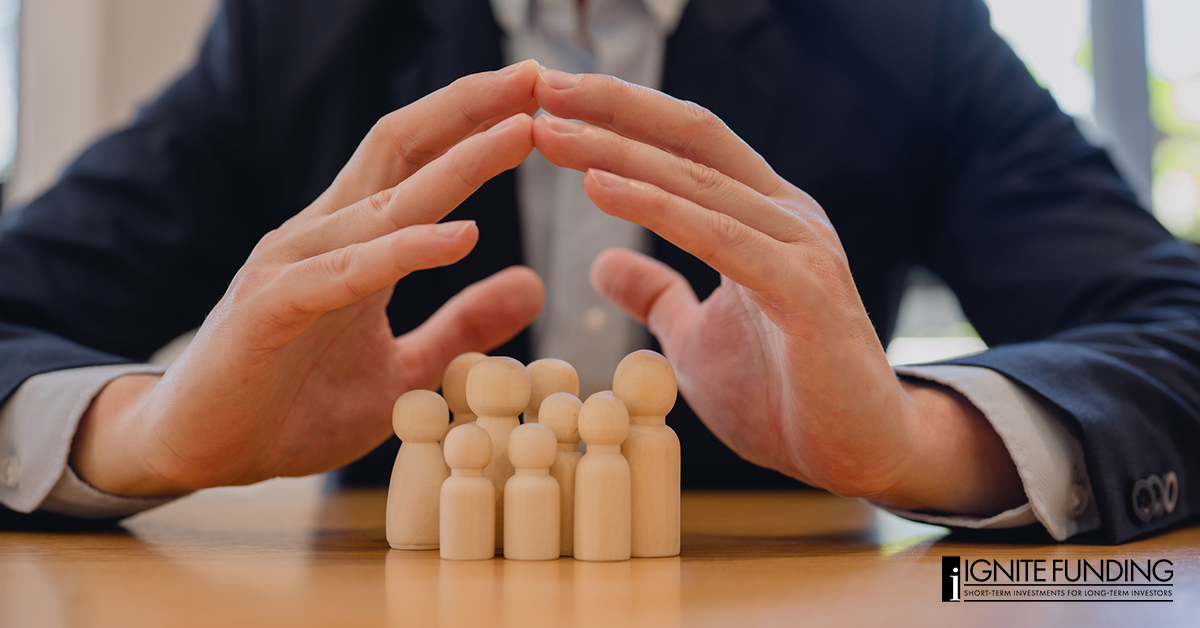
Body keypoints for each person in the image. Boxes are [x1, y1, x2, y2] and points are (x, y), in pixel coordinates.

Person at [0, 0, 1194, 544]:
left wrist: (913, 440)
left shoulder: (906, 30)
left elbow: (1176, 327)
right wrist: (145, 433)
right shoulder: (295, 31)